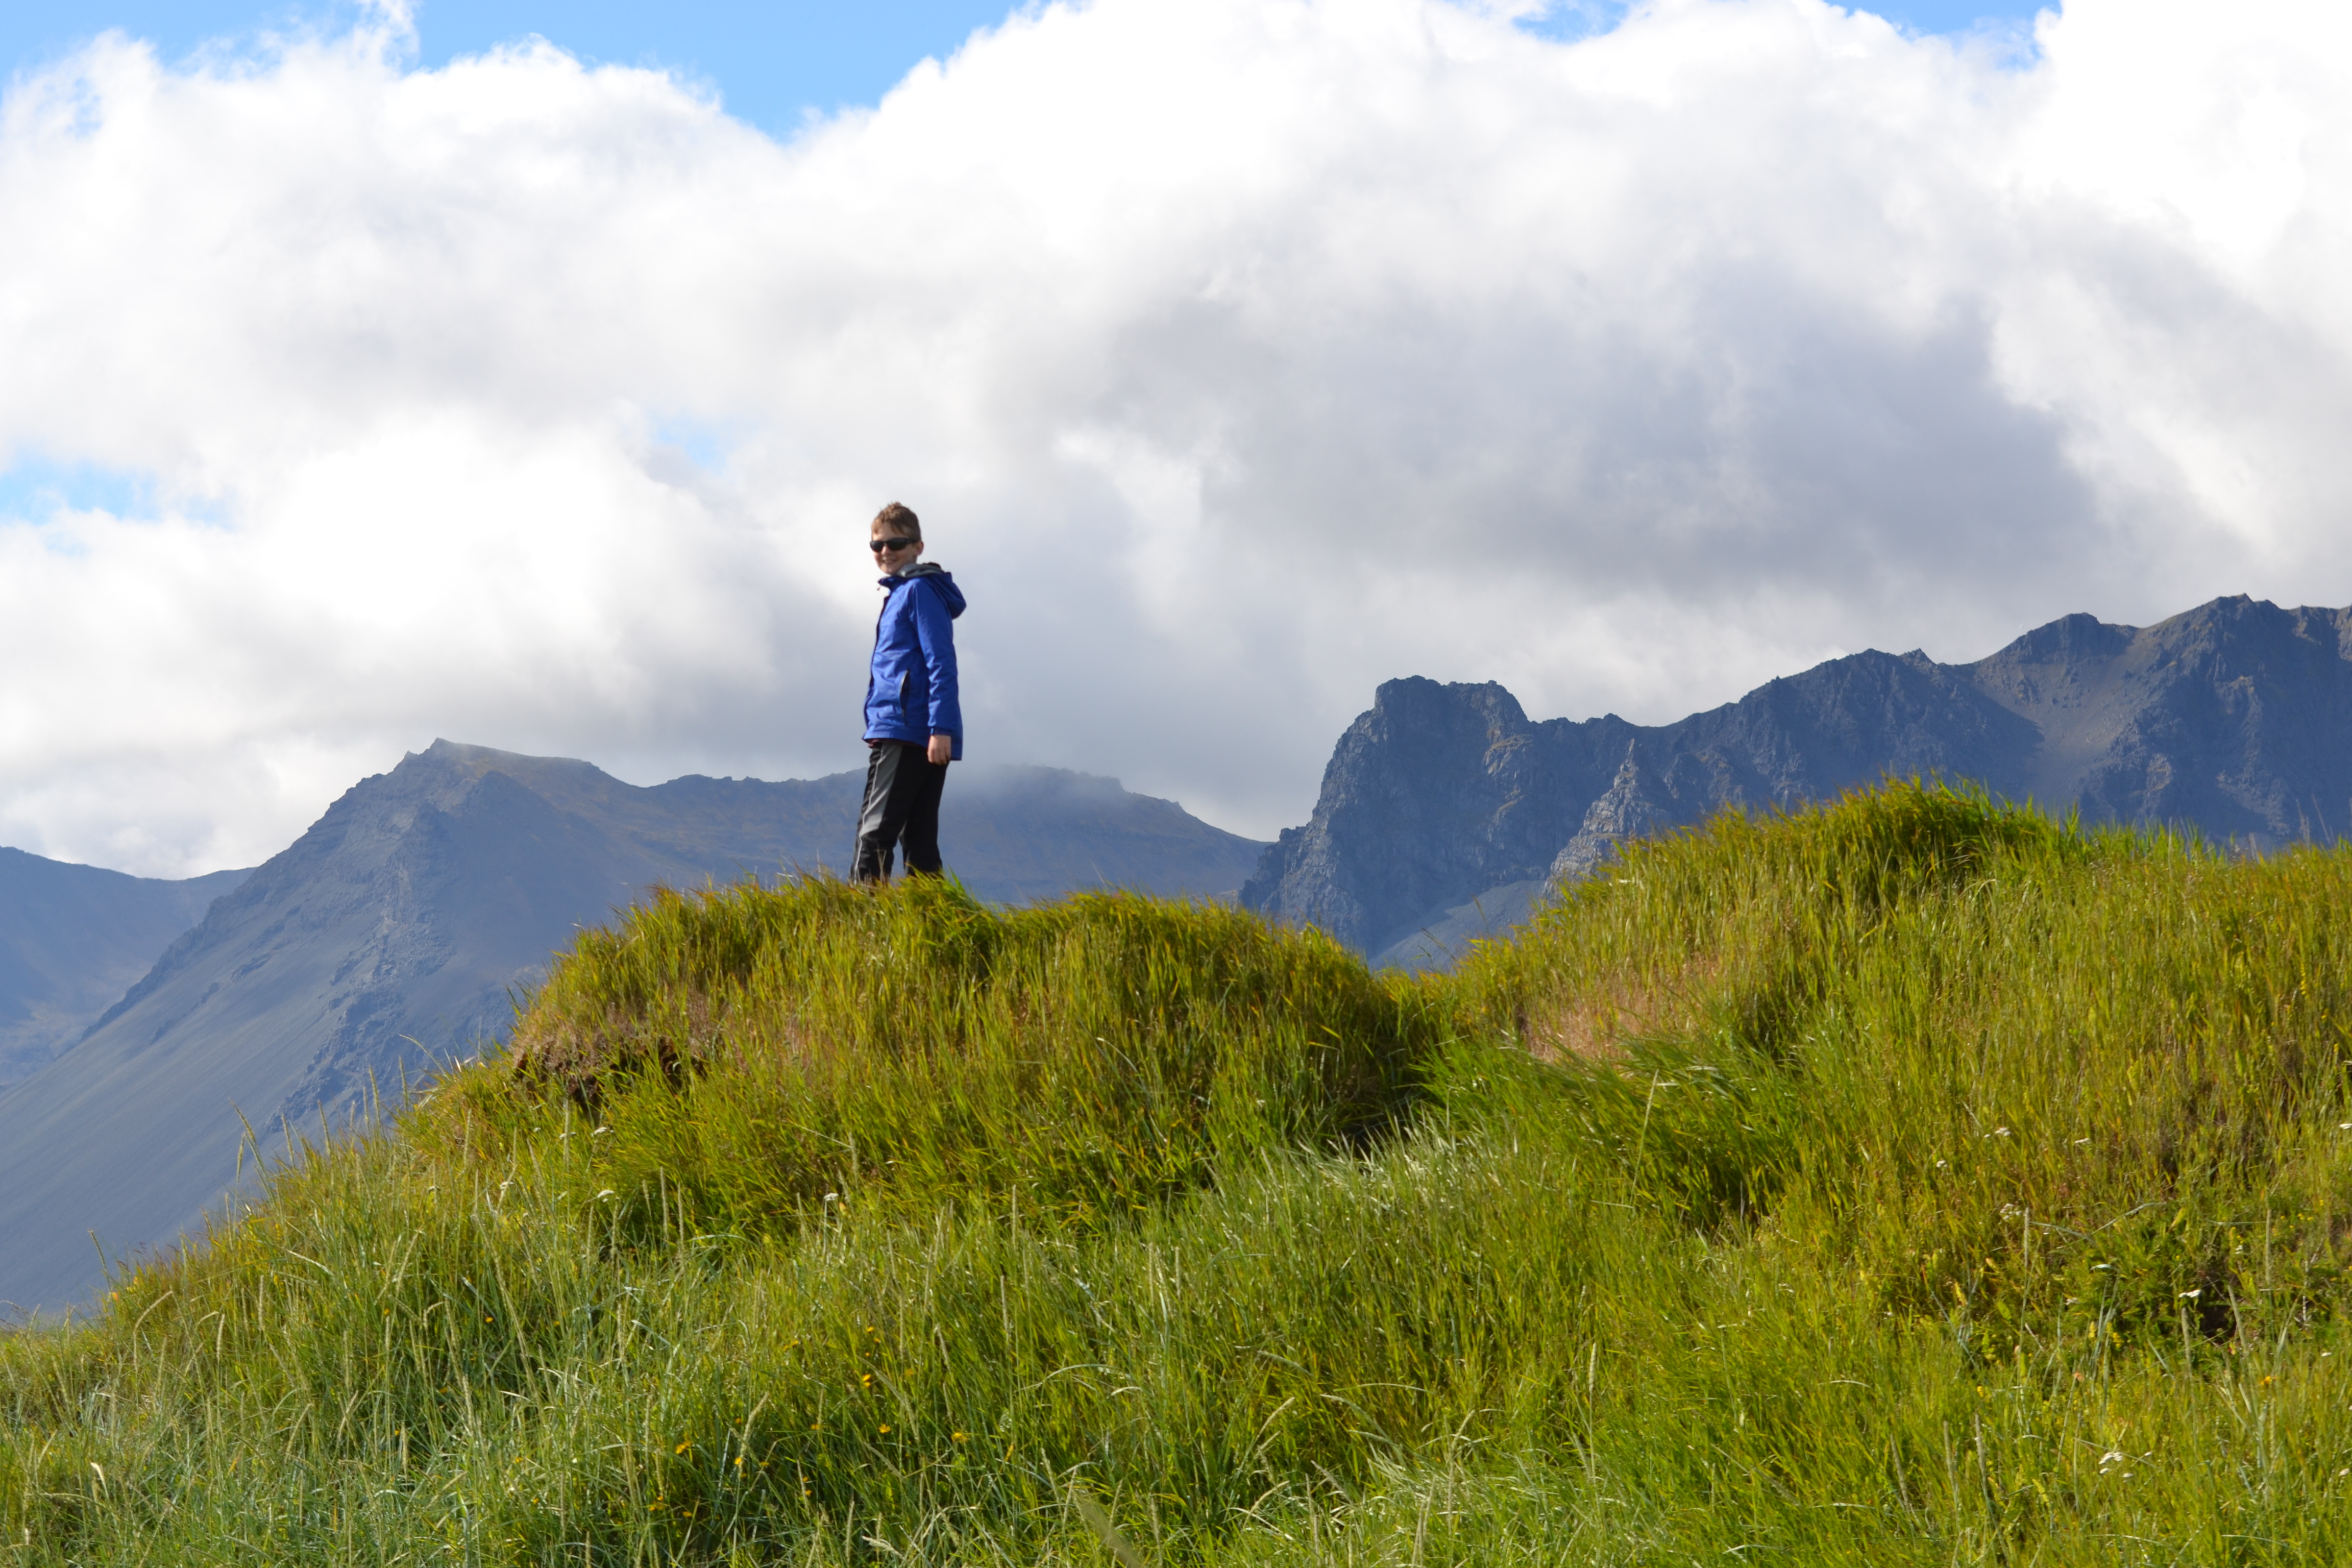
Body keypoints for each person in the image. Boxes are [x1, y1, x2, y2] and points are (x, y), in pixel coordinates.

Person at [852, 502, 966, 883]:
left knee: (874, 832)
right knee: (919, 840)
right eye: (877, 545)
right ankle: (933, 916)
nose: (886, 551)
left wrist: (941, 729)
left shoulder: (917, 591)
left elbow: (941, 662)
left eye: (896, 543)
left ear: (918, 546)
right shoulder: (904, 592)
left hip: (907, 728)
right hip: (917, 729)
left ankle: (861, 914)